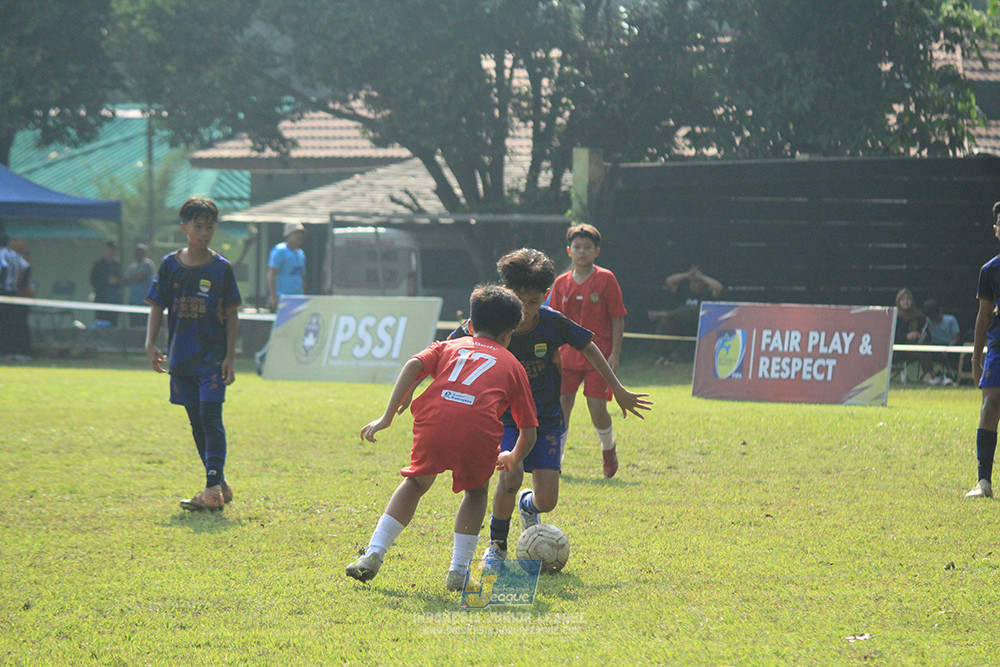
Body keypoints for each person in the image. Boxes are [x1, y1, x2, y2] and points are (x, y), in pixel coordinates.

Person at [450, 248, 651, 568]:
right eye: (519, 301)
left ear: (545, 296)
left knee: (548, 500)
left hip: (545, 418)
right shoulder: (490, 318)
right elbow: (451, 347)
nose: (526, 312)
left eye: (534, 302)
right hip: (504, 419)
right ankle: (497, 547)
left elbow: (588, 346)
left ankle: (527, 507)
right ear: (506, 293)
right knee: (509, 474)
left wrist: (618, 388)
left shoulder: (552, 323)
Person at [346, 284, 538, 591]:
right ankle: (459, 571)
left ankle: (372, 554)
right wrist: (512, 458)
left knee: (416, 482)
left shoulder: (450, 346)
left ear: (471, 325)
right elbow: (529, 432)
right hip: (478, 430)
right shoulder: (513, 366)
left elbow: (413, 365)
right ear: (508, 335)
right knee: (475, 492)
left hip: (434, 421)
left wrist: (387, 415)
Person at [144, 197, 242, 511]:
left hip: (211, 360)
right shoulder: (170, 265)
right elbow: (157, 305)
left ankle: (212, 488)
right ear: (184, 227)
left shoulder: (221, 268)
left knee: (211, 419)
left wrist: (230, 356)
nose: (204, 232)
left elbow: (231, 313)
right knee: (197, 422)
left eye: (210, 226)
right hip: (182, 359)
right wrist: (150, 343)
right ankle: (217, 480)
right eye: (198, 226)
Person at [547, 223, 627, 477]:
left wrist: (614, 353)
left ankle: (608, 449)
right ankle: (555, 460)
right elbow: (553, 320)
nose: (582, 252)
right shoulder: (560, 283)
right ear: (569, 251)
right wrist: (552, 352)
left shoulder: (606, 279)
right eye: (577, 247)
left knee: (597, 409)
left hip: (597, 356)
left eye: (587, 247)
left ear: (597, 251)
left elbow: (617, 318)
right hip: (566, 357)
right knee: (562, 405)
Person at [648, 265, 724, 365]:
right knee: (664, 322)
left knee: (682, 312)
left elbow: (719, 287)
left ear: (703, 283)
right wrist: (688, 275)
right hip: (680, 322)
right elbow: (669, 281)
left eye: (696, 282)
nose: (692, 284)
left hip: (698, 320)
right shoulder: (684, 292)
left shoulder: (707, 293)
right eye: (691, 281)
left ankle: (664, 314)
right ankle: (662, 356)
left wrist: (701, 276)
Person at [0, 232, 32, 360]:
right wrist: (22, 285)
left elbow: (3, 267)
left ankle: (4, 352)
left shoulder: (2, 253)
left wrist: (1, 284)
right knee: (13, 323)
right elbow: (28, 268)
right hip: (13, 293)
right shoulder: (14, 254)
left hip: (3, 293)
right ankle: (14, 352)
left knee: (3, 324)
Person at [892, 287, 930, 384]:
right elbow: (891, 337)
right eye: (903, 299)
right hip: (898, 351)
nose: (906, 301)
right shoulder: (894, 317)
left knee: (924, 349)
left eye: (908, 299)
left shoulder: (919, 317)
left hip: (915, 349)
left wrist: (920, 336)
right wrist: (906, 336)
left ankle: (928, 375)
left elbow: (928, 335)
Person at [920, 298, 961, 385]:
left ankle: (950, 374)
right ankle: (929, 375)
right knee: (924, 351)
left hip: (949, 346)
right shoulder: (928, 321)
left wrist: (947, 349)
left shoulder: (951, 320)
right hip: (935, 346)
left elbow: (956, 338)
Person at [268, 222, 306, 312]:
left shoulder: (301, 253)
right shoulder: (280, 251)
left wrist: (304, 296)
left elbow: (303, 276)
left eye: (301, 233)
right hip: (283, 297)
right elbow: (271, 275)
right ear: (288, 235)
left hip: (298, 298)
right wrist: (273, 297)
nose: (299, 236)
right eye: (296, 233)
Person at [123, 243, 157, 327]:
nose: (138, 254)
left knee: (144, 325)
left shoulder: (148, 264)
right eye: (136, 252)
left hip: (144, 301)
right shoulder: (132, 267)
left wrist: (132, 279)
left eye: (140, 252)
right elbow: (125, 282)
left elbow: (140, 276)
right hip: (133, 301)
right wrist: (131, 279)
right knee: (133, 324)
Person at [90, 240, 122, 326]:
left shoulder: (117, 265)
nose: (112, 251)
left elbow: (121, 281)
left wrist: (117, 281)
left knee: (113, 323)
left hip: (114, 299)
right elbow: (93, 280)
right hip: (102, 298)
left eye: (114, 249)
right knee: (101, 322)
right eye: (110, 249)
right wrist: (107, 281)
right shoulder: (98, 265)